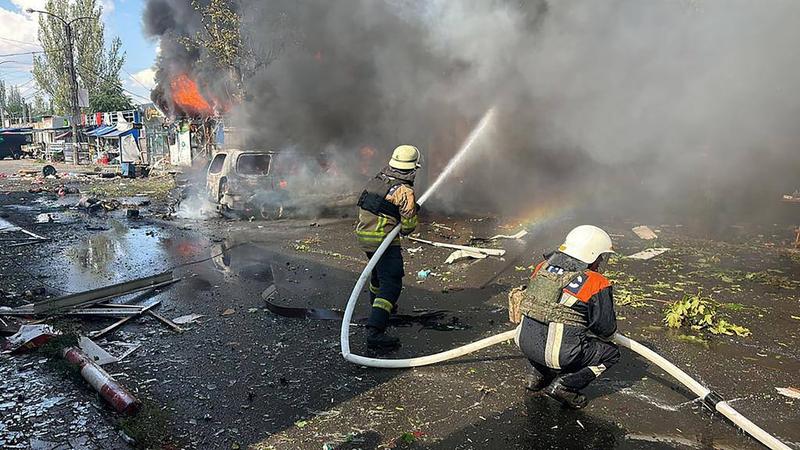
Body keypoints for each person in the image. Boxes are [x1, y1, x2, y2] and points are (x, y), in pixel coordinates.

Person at [516, 225, 620, 409]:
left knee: (544, 327)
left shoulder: (542, 267)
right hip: (557, 354)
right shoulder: (595, 282)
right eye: (600, 256)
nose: (601, 260)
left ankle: (535, 376)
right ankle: (565, 386)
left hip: (524, 342)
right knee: (610, 354)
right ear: (592, 254)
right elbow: (606, 329)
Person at [355, 145, 421, 351]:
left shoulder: (378, 179)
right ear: (412, 168)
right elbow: (408, 229)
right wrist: (412, 212)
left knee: (378, 278)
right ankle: (375, 332)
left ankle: (382, 311)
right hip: (383, 240)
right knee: (391, 284)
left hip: (365, 236)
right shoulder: (404, 191)